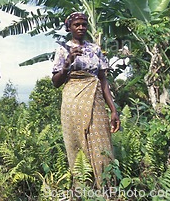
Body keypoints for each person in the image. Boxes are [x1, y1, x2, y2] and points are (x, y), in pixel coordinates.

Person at [51, 12, 119, 189]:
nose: (81, 27)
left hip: (95, 100)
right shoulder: (63, 49)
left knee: (101, 141)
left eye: (83, 24)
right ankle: (84, 188)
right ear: (69, 28)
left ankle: (107, 187)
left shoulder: (95, 49)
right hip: (73, 101)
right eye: (76, 25)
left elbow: (103, 80)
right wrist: (68, 61)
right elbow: (56, 82)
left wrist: (113, 109)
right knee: (77, 143)